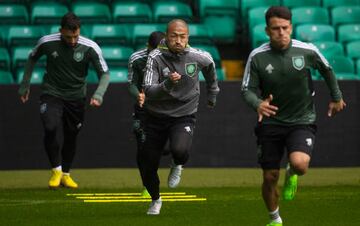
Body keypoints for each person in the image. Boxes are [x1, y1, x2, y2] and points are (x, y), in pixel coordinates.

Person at [241, 6, 346, 226]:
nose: (281, 32)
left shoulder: (307, 50)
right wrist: (257, 103)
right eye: (275, 28)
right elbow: (246, 89)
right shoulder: (257, 56)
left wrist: (336, 97)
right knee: (270, 177)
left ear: (291, 27)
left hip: (302, 120)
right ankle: (275, 219)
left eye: (285, 28)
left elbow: (327, 70)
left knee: (300, 165)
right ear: (267, 31)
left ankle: (292, 174)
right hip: (270, 122)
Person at [18, 12, 110, 189]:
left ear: (79, 31)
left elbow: (104, 73)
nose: (73, 40)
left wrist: (99, 94)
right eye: (69, 37)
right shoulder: (46, 42)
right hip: (51, 93)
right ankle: (56, 169)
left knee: (71, 136)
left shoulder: (90, 47)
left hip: (76, 98)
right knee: (50, 126)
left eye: (75, 36)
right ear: (61, 31)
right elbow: (32, 57)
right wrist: (25, 84)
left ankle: (66, 174)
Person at [141, 19, 220, 215]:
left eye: (182, 36)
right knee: (147, 162)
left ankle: (177, 164)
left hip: (184, 114)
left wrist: (212, 94)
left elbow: (210, 69)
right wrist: (167, 84)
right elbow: (149, 90)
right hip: (154, 116)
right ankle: (156, 199)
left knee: (180, 150)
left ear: (188, 38)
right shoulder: (155, 57)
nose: (178, 40)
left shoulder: (198, 56)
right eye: (174, 36)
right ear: (166, 37)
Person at [127, 31, 165, 198]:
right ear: (147, 47)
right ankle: (147, 185)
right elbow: (131, 84)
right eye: (153, 51)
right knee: (143, 148)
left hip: (167, 108)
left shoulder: (172, 56)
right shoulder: (136, 58)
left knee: (167, 147)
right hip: (144, 108)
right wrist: (138, 94)